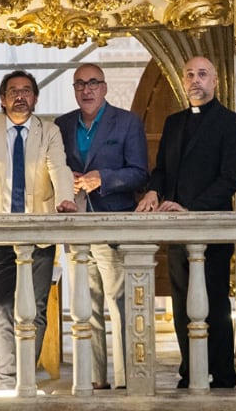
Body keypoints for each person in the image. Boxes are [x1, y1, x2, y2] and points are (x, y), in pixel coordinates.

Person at [0, 70, 76, 389]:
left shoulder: (49, 131)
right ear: (2, 99)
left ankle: (25, 377)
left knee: (34, 309)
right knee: (1, 308)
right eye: (13, 91)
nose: (20, 96)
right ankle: (8, 381)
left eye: (26, 91)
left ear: (35, 98)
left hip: (39, 232)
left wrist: (66, 199)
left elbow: (59, 168)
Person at [135, 56, 236, 389]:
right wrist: (154, 191)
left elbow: (229, 180)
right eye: (189, 75)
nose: (195, 80)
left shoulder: (232, 124)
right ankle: (191, 371)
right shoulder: (174, 123)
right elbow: (162, 171)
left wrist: (189, 208)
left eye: (202, 74)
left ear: (215, 81)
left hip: (211, 227)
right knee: (182, 303)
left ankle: (223, 374)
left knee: (214, 303)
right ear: (183, 82)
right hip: (176, 229)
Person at [55, 63, 150, 390]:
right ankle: (95, 377)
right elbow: (54, 168)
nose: (86, 89)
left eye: (93, 83)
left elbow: (140, 172)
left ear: (105, 87)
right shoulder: (62, 125)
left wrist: (103, 178)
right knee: (85, 306)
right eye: (80, 84)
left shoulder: (126, 122)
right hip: (76, 225)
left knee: (120, 303)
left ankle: (126, 379)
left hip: (113, 222)